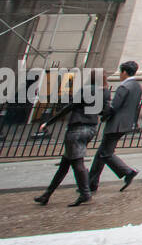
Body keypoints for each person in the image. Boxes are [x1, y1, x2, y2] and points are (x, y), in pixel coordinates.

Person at [34, 72, 101, 207]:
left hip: (77, 130)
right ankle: (47, 195)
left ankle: (85, 193)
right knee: (65, 164)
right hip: (91, 128)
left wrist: (48, 123)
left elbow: (69, 107)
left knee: (77, 163)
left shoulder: (85, 90)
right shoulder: (101, 93)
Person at [88, 61, 142, 193]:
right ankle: (91, 182)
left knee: (105, 153)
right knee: (101, 153)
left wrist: (103, 115)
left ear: (124, 72)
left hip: (116, 124)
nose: (119, 75)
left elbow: (114, 106)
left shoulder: (124, 87)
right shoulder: (137, 86)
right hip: (126, 123)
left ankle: (127, 171)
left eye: (120, 72)